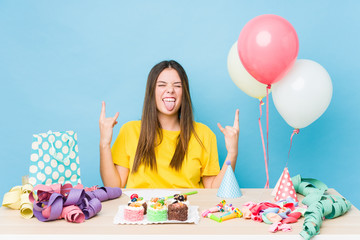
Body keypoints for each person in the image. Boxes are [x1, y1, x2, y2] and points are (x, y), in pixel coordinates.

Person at [99, 60, 239, 188]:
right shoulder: (130, 131)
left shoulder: (203, 134)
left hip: (188, 212)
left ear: (184, 93)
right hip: (142, 213)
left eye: (177, 86)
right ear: (151, 92)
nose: (170, 90)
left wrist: (232, 153)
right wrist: (104, 143)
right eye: (162, 85)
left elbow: (213, 191)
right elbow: (114, 187)